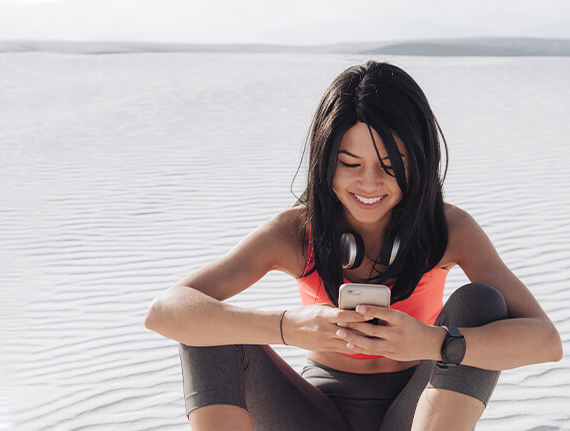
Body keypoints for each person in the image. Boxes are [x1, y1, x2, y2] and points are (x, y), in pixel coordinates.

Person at [143, 60, 562, 431]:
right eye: (350, 164)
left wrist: (430, 342)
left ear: (419, 161)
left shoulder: (448, 229)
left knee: (481, 302)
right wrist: (290, 326)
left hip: (419, 411)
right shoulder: (295, 232)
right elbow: (165, 311)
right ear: (326, 164)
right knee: (208, 325)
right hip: (310, 413)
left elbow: (545, 342)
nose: (369, 184)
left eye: (389, 166)